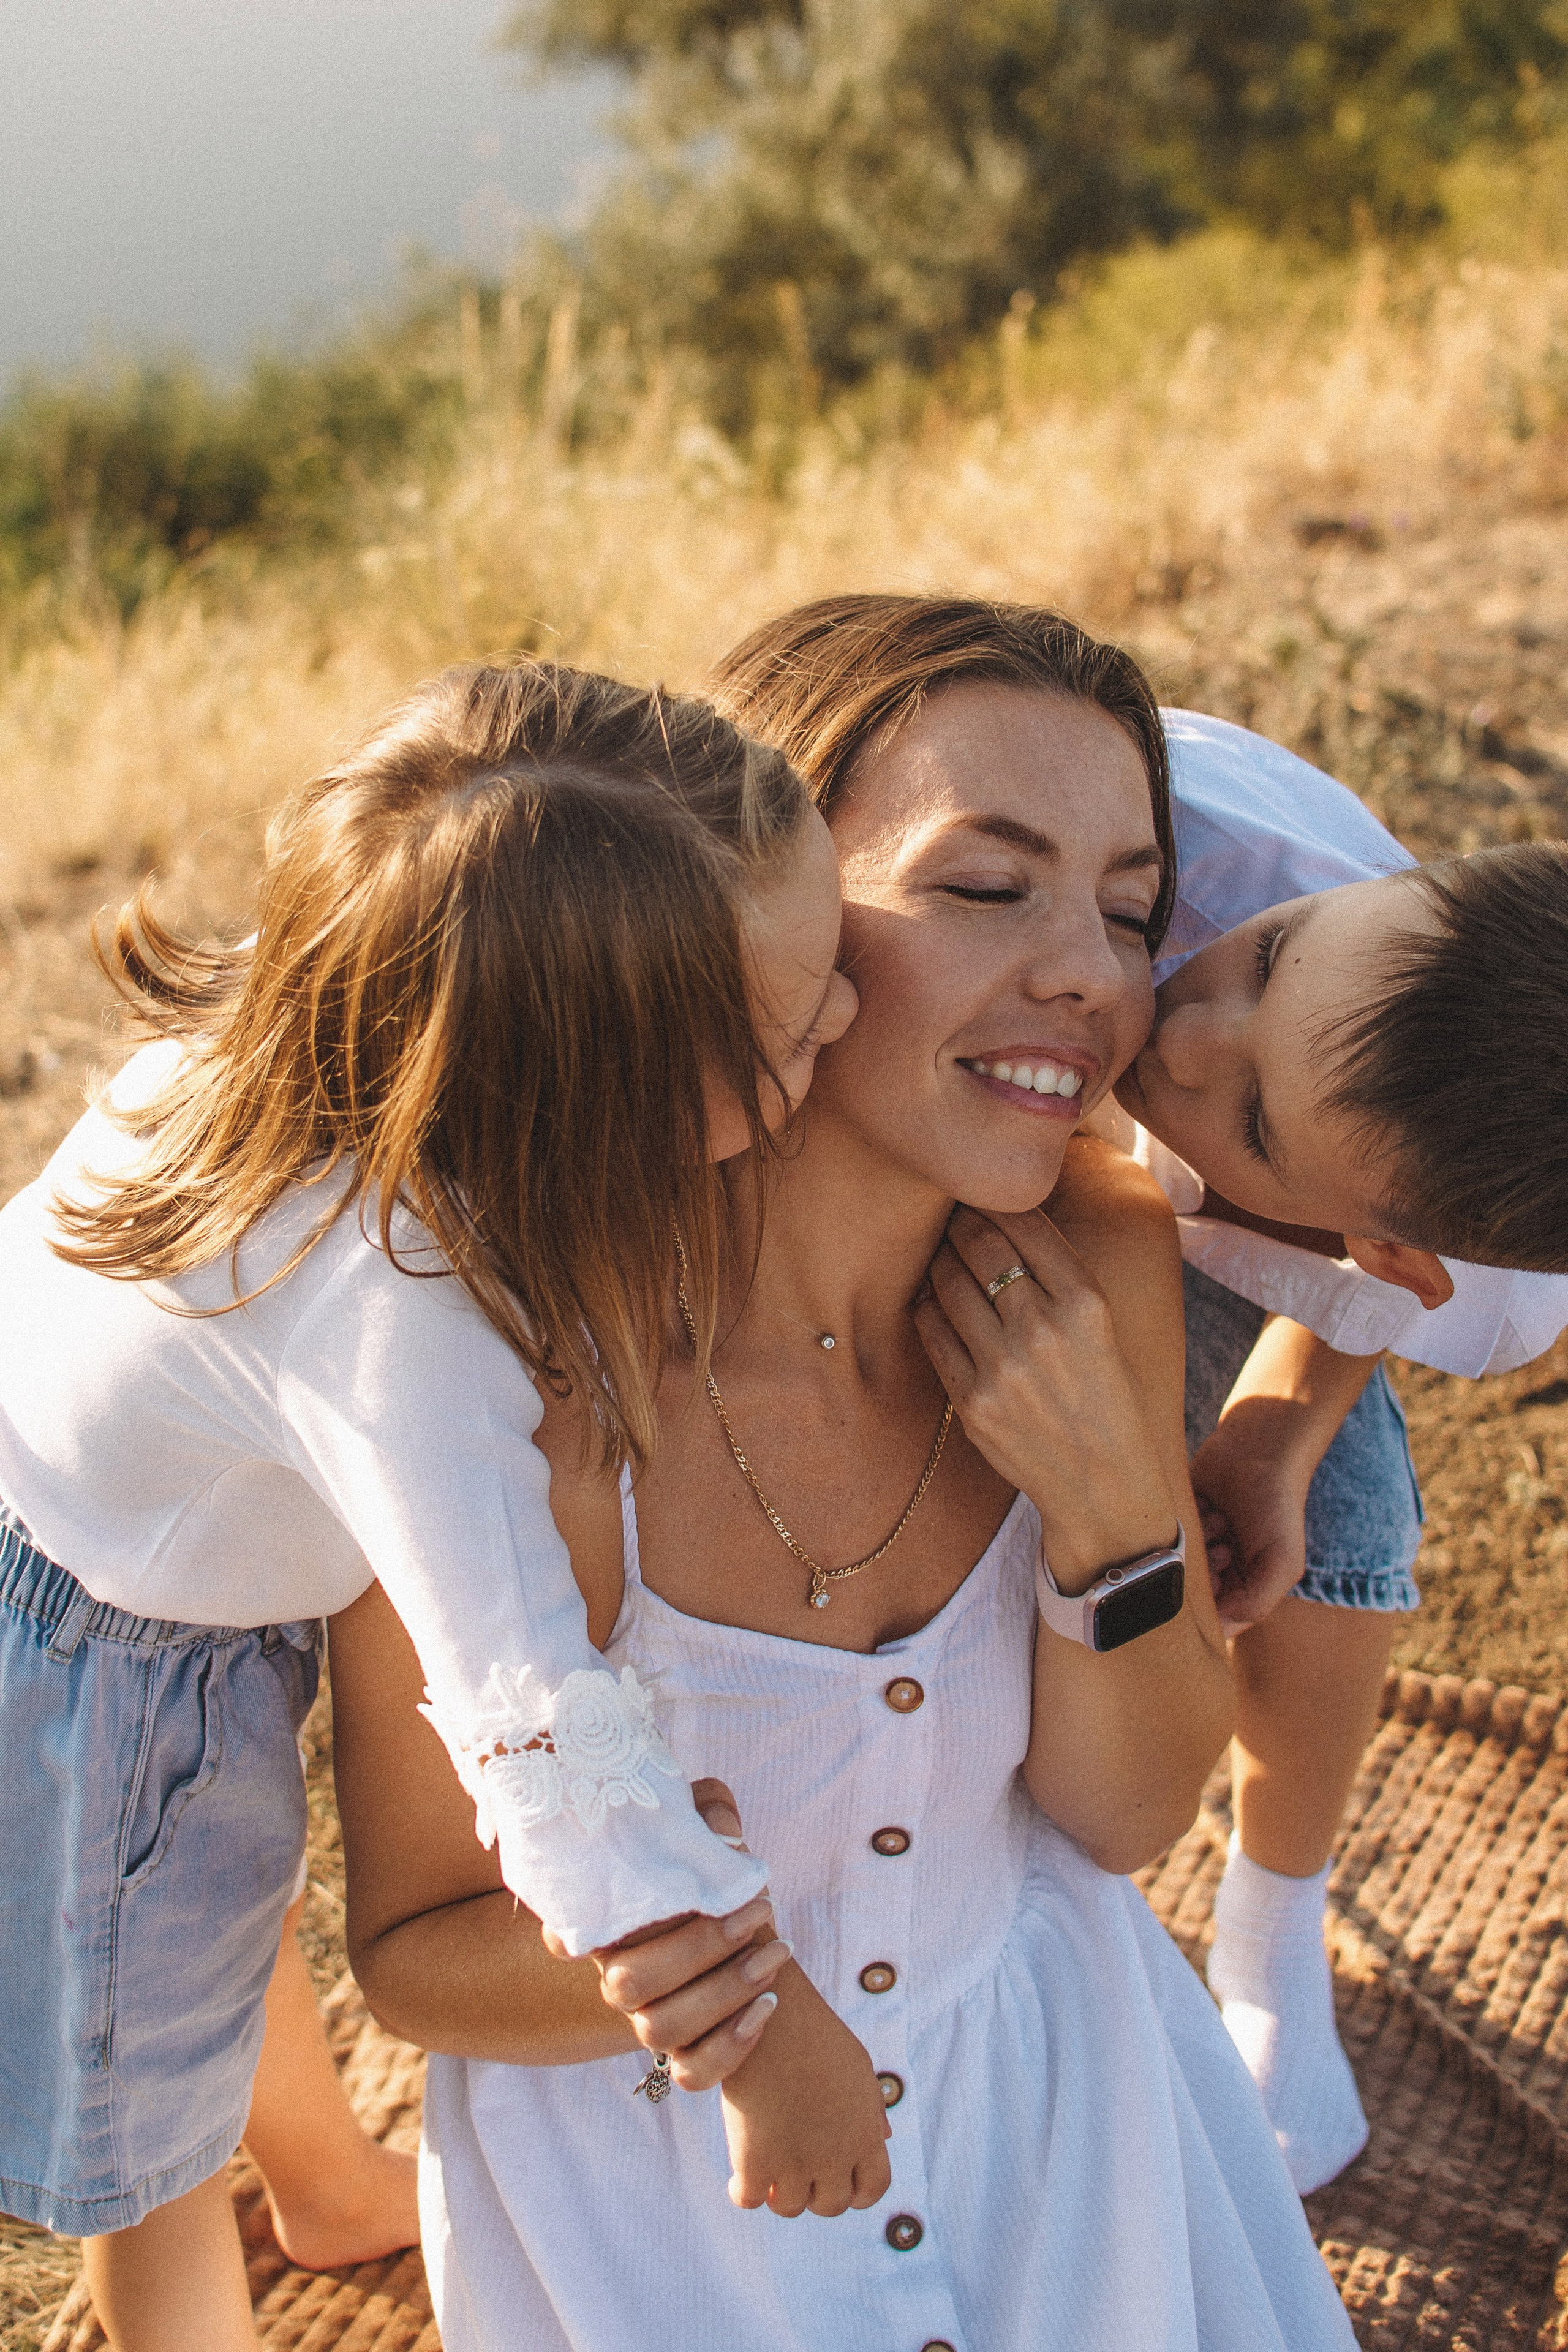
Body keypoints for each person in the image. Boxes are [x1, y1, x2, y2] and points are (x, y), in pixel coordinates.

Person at [335, 598, 1357, 2351]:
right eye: (984, 887)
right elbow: (415, 1953)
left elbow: (1123, 1822)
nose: (1094, 980)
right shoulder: (501, 1372)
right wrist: (727, 1988)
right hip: (674, 2234)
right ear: (764, 900)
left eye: (1128, 908)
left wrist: (1116, 1506)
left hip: (1068, 2154)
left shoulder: (1102, 1254)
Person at [0, 661, 858, 2351]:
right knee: (149, 2123)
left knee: (221, 1907)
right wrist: (748, 2026)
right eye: (798, 1022)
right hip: (100, 1658)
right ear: (591, 1101)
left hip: (95, 1512)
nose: (848, 1020)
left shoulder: (350, 1004)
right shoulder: (397, 1322)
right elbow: (534, 1718)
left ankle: (319, 2184)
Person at [1102, 708, 1568, 2190]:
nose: (1179, 1026)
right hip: (938, 1095)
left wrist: (1273, 1435)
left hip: (1231, 1230)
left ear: (1377, 1235)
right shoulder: (1185, 844)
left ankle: (1271, 1914)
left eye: (1244, 1105)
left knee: (1340, 1528)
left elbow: (1355, 1294)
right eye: (1265, 963)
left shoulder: (1484, 1290)